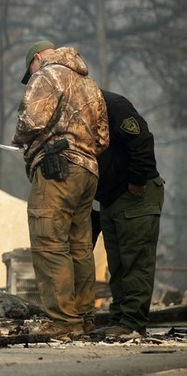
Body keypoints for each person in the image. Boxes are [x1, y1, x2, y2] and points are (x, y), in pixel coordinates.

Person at [12, 41, 109, 337]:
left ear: (37, 59)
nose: (31, 78)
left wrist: (20, 139)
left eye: (30, 71)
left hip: (57, 170)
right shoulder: (89, 84)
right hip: (88, 171)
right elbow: (103, 137)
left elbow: (30, 119)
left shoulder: (47, 74)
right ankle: (83, 316)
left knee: (50, 242)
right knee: (80, 246)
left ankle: (62, 322)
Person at [91, 90, 164, 338]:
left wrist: (137, 178)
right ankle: (120, 318)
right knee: (118, 263)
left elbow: (141, 140)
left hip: (135, 192)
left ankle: (132, 322)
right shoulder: (76, 109)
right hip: (111, 196)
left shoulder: (111, 104)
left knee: (136, 260)